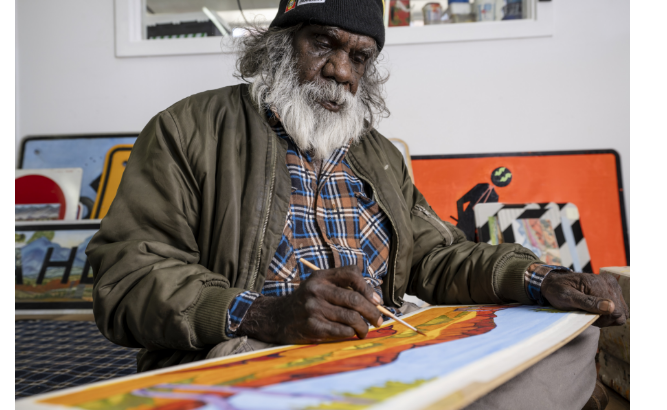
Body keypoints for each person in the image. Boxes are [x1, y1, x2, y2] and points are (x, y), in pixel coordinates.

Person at [86, 1, 628, 408]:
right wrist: (269, 314)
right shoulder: (188, 130)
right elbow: (128, 279)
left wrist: (537, 278)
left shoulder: (377, 152)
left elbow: (437, 256)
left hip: (384, 347)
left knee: (571, 349)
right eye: (323, 44)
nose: (341, 72)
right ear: (281, 44)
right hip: (257, 352)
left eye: (359, 56)